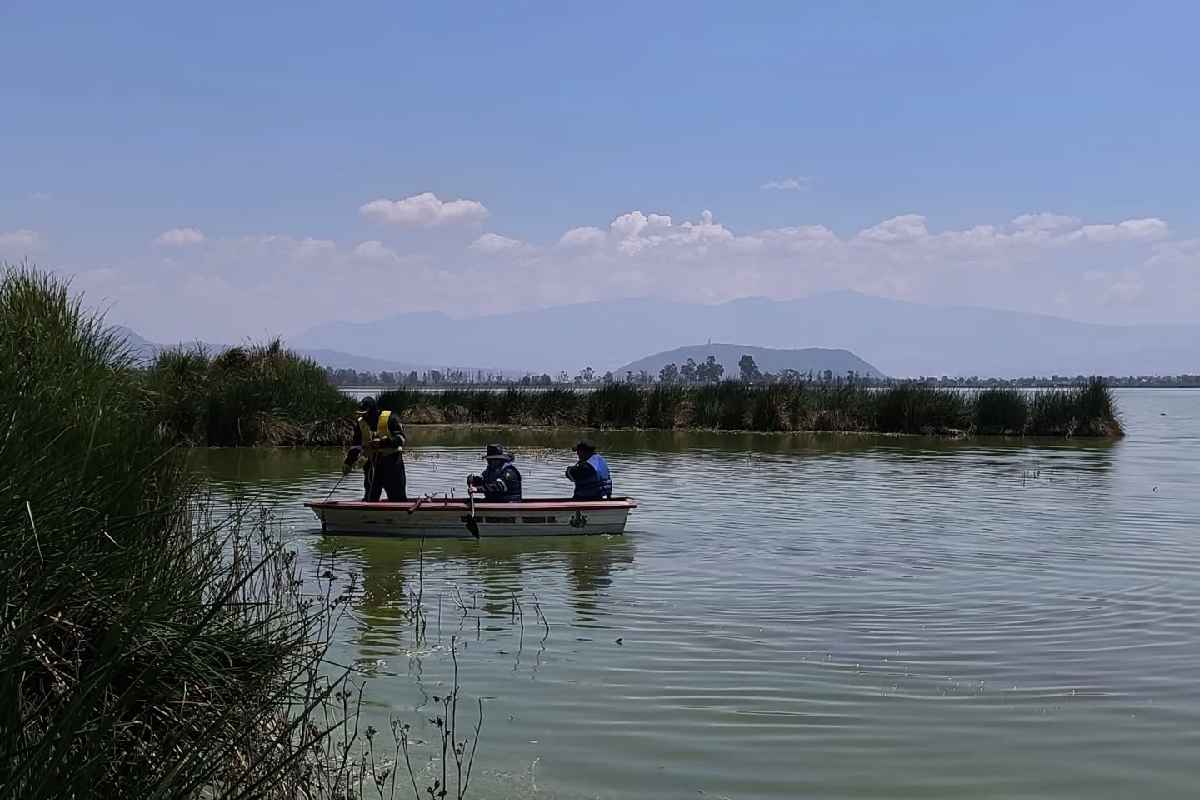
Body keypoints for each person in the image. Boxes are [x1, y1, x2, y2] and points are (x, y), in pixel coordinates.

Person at [343, 396, 407, 501]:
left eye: (365, 414)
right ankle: (368, 514)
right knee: (370, 497)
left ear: (373, 411)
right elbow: (356, 445)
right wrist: (348, 463)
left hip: (392, 463)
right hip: (371, 464)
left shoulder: (390, 418)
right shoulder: (361, 423)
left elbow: (401, 439)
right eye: (361, 414)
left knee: (397, 498)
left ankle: (399, 515)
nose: (363, 417)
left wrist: (383, 443)